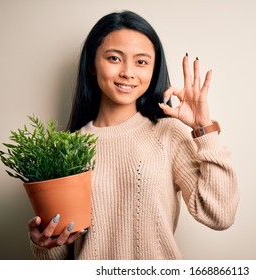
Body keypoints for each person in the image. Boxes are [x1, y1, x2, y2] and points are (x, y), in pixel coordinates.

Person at [27, 10, 238, 260]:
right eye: (114, 58)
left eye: (141, 61)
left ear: (153, 69)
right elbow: (60, 257)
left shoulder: (168, 134)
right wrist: (45, 244)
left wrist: (203, 128)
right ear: (92, 65)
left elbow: (220, 215)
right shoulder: (68, 148)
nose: (128, 72)